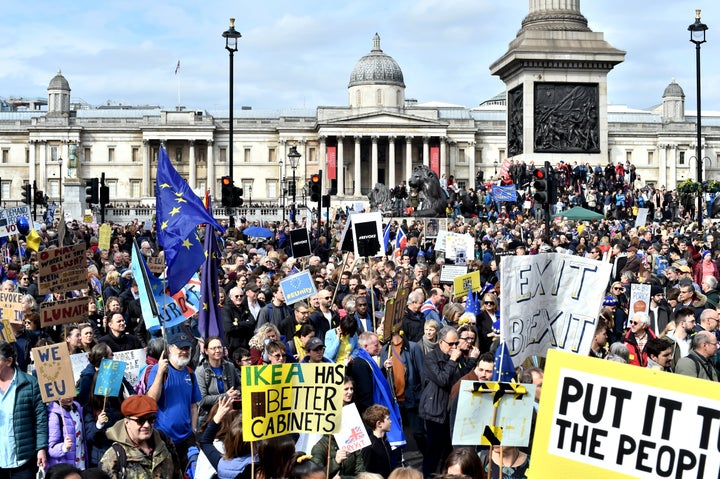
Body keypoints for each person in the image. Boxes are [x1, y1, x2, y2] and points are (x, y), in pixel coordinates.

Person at [419, 326, 472, 477]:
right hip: (435, 412)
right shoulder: (431, 358)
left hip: (451, 412)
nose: (454, 347)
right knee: (433, 453)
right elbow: (442, 380)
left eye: (456, 344)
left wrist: (471, 360)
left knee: (449, 453)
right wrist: (452, 360)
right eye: (451, 344)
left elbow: (462, 377)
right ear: (441, 342)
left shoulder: (457, 356)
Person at [146, 332, 202, 469]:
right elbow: (151, 400)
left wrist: (193, 429)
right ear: (170, 348)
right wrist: (160, 373)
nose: (184, 351)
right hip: (163, 437)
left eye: (187, 348)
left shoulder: (190, 373)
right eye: (181, 348)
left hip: (187, 437)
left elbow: (193, 406)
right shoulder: (158, 370)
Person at [99, 395, 181, 479]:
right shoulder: (114, 457)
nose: (147, 425)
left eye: (150, 419)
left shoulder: (164, 442)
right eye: (140, 420)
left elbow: (177, 474)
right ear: (127, 422)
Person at [0, 341, 48, 479]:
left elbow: (40, 419)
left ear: (9, 361)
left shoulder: (30, 383)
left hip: (23, 460)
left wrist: (41, 448)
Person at [310, 377, 365, 479]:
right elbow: (316, 476)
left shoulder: (351, 441)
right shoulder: (320, 447)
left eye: (351, 389)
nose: (350, 392)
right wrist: (335, 462)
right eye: (346, 389)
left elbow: (359, 469)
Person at [199, 396, 252, 479]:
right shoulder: (260, 464)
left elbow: (205, 442)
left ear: (228, 441)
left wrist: (218, 415)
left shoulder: (222, 465)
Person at [195, 336, 241, 428]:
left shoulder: (230, 366)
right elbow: (202, 400)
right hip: (209, 417)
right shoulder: (200, 371)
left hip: (230, 414)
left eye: (219, 347)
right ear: (206, 351)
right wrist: (226, 396)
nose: (217, 350)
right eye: (213, 348)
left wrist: (238, 391)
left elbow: (239, 385)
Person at [47, 397, 87, 470]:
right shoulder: (54, 415)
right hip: (65, 468)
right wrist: (64, 447)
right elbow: (51, 448)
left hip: (81, 464)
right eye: (64, 396)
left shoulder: (77, 407)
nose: (68, 397)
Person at [361, 405, 394, 478]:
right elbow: (367, 474)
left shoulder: (385, 441)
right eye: (388, 419)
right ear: (379, 424)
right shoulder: (369, 447)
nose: (390, 421)